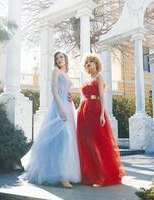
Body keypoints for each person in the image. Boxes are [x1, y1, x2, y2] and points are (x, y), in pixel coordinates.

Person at [20, 51, 81, 188]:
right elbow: (53, 90)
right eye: (57, 58)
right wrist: (60, 108)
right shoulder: (56, 71)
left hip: (68, 106)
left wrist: (70, 96)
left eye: (61, 57)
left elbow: (65, 89)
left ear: (65, 58)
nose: (59, 60)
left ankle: (65, 174)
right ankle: (63, 177)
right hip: (59, 107)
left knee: (68, 140)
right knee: (63, 138)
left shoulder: (66, 73)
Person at [77, 53, 125, 186]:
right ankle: (91, 175)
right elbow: (83, 97)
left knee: (97, 142)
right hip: (84, 110)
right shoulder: (88, 78)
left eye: (91, 62)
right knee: (85, 141)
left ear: (96, 64)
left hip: (95, 109)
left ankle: (104, 174)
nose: (88, 65)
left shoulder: (99, 76)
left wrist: (102, 114)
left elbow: (102, 96)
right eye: (87, 63)